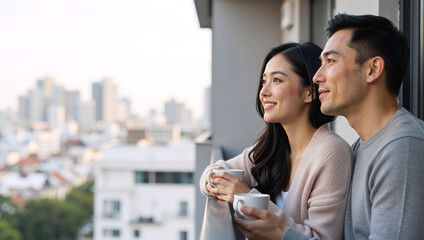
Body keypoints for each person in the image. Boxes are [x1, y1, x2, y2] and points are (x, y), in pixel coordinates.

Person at [233, 13, 424, 240]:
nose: (316, 77)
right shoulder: (361, 148)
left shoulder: (402, 149)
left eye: (330, 61)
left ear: (372, 70)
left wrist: (282, 233)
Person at [199, 42, 354, 240]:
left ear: (310, 93)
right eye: (264, 81)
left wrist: (246, 196)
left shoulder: (332, 152)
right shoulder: (273, 147)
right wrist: (215, 180)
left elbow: (322, 238)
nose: (263, 92)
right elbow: (215, 170)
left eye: (277, 80)